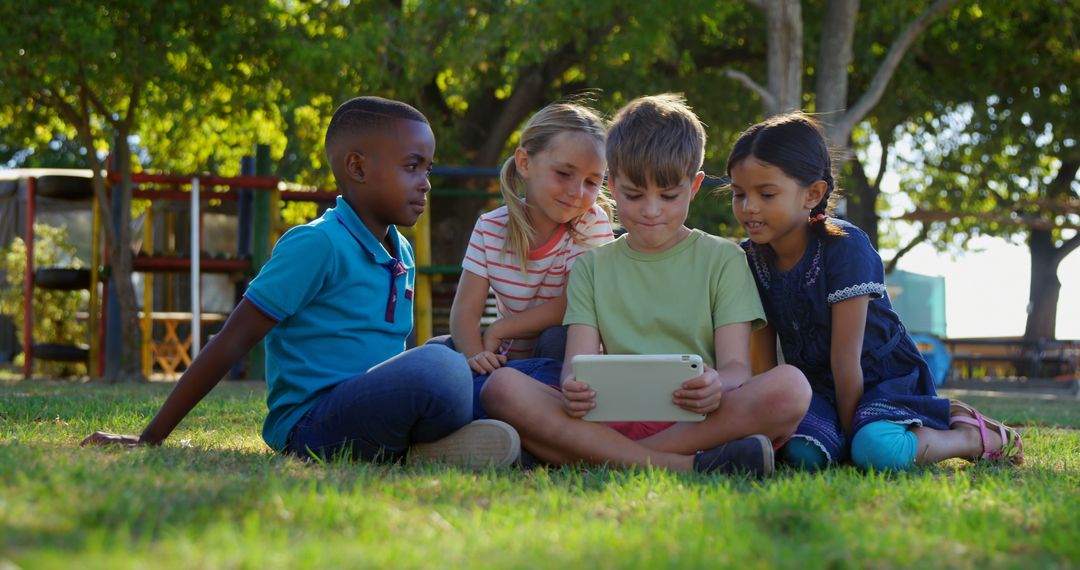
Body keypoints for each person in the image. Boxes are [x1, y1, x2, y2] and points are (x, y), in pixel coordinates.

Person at [82, 96, 520, 468]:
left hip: (369, 408)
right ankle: (429, 445)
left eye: (427, 169)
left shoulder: (400, 250)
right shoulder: (317, 244)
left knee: (457, 352)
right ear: (357, 167)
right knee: (441, 366)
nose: (426, 184)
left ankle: (444, 447)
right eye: (412, 167)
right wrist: (151, 437)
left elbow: (391, 361)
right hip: (314, 425)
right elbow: (232, 341)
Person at [479, 94, 812, 476]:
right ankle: (685, 467)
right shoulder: (591, 267)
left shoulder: (725, 260)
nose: (651, 211)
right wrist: (574, 386)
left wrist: (717, 384)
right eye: (634, 195)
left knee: (790, 387)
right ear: (612, 185)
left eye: (669, 196)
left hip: (699, 421)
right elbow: (576, 367)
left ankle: (602, 457)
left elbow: (737, 368)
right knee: (502, 387)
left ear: (695, 185)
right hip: (612, 418)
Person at [727, 112, 1023, 471]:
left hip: (881, 381)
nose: (749, 207)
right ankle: (843, 434)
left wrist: (852, 441)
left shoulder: (845, 248)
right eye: (739, 194)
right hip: (815, 391)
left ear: (813, 194)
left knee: (876, 451)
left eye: (766, 193)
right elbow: (763, 362)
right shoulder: (749, 258)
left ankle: (972, 434)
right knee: (804, 455)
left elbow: (846, 361)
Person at [429, 100, 615, 375]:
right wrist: (476, 356)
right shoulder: (490, 228)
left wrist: (501, 328)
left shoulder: (591, 222)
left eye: (591, 182)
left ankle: (537, 404)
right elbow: (465, 311)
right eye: (564, 174)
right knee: (438, 350)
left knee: (556, 338)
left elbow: (574, 302)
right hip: (509, 362)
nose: (577, 191)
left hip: (562, 362)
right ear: (525, 163)